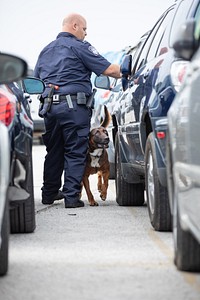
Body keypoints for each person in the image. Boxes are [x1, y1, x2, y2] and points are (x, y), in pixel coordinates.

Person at [34, 13, 121, 208]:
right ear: (74, 26)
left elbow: (37, 81)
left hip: (49, 107)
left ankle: (48, 194)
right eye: (84, 29)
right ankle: (72, 198)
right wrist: (124, 70)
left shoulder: (45, 51)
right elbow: (109, 70)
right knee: (75, 151)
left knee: (54, 150)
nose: (85, 33)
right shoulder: (80, 46)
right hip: (74, 108)